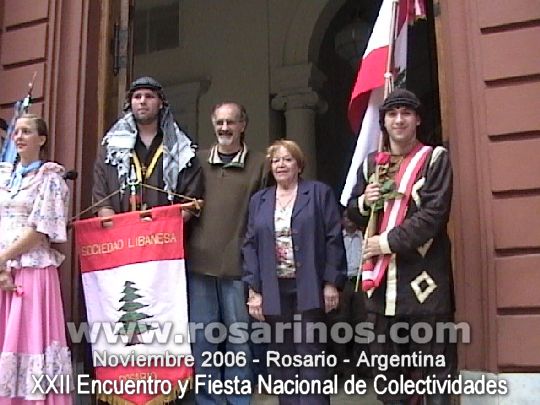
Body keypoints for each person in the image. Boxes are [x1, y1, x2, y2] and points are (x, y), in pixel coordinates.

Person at [347, 88, 456, 405]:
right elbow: (352, 214)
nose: (399, 120)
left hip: (425, 288)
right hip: (381, 291)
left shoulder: (435, 160)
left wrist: (385, 243)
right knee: (388, 383)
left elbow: (433, 216)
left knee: (435, 379)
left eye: (406, 113)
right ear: (383, 122)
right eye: (392, 114)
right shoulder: (372, 166)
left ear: (417, 119)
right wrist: (363, 203)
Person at [242, 140, 346, 405]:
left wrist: (331, 283)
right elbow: (250, 244)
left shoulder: (319, 193)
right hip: (274, 288)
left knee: (310, 353)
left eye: (287, 159)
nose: (281, 165)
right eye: (276, 160)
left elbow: (334, 238)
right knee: (282, 356)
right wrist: (254, 291)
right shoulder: (259, 200)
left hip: (309, 285)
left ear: (299, 165)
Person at [186, 102, 267, 405]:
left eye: (231, 122)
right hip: (199, 266)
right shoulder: (196, 161)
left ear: (243, 125)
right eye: (219, 122)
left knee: (239, 342)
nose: (224, 128)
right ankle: (208, 401)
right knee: (203, 342)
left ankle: (238, 402)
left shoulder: (261, 164)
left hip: (239, 267)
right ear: (212, 123)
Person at [0, 114, 72, 404]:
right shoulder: (5, 176)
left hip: (31, 269)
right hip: (4, 271)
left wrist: (3, 258)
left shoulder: (50, 177)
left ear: (41, 140)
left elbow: (40, 229)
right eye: (16, 131)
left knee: (28, 341)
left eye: (26, 132)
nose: (18, 137)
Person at [92, 76, 203, 217]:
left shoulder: (183, 151)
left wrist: (163, 228)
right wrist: (117, 230)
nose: (142, 101)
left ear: (161, 103)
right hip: (122, 234)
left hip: (166, 233)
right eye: (137, 97)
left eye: (149, 96)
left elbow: (190, 200)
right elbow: (102, 199)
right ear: (130, 104)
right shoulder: (110, 150)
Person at [326, 210, 367, 378]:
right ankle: (342, 365)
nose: (349, 221)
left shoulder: (365, 237)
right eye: (345, 217)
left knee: (362, 324)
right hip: (343, 284)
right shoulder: (336, 239)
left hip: (361, 282)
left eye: (352, 217)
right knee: (340, 324)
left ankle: (361, 366)